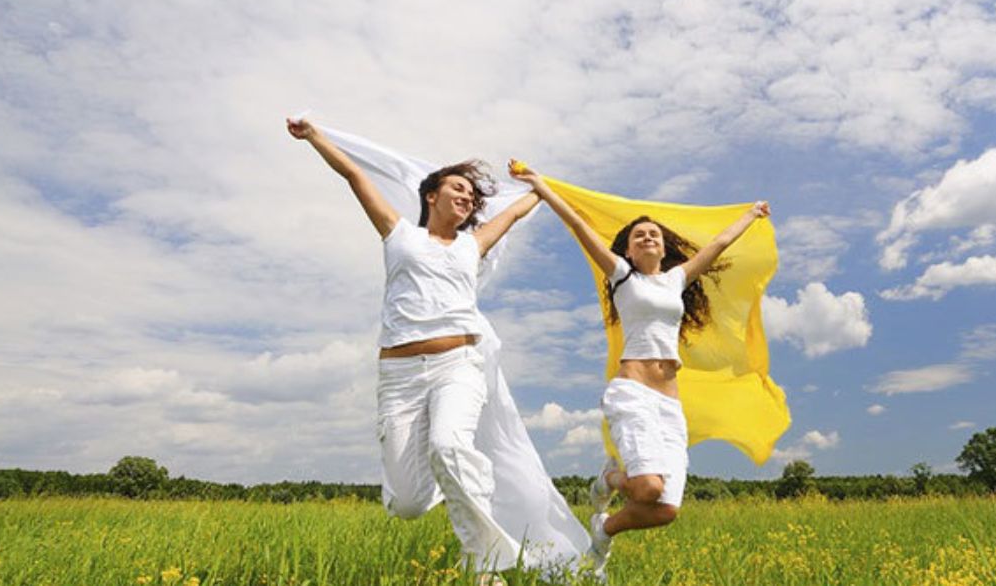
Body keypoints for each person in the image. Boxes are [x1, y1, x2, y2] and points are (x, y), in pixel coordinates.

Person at [288, 118, 540, 581]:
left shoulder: (473, 244)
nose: (467, 199)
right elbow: (355, 176)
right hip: (400, 375)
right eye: (459, 190)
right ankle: (460, 479)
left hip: (458, 363)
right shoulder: (399, 233)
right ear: (432, 195)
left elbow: (520, 211)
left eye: (472, 198)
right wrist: (315, 137)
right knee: (405, 503)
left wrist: (544, 187)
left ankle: (485, 568)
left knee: (448, 443)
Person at [508, 159, 769, 576]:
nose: (647, 237)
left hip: (669, 405)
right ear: (628, 249)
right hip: (632, 393)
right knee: (647, 488)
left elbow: (717, 245)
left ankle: (603, 527)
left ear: (663, 248)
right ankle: (613, 481)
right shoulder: (623, 276)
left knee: (665, 510)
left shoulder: (675, 280)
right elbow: (578, 225)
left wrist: (750, 216)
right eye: (638, 235)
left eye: (654, 234)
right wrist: (540, 184)